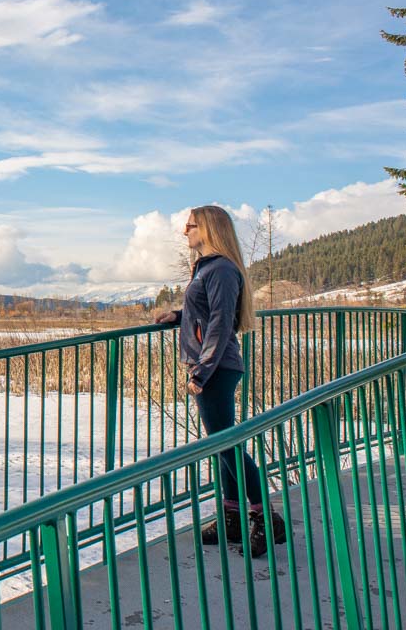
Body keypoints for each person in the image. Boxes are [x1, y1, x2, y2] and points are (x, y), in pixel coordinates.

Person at [155, 205, 286, 557]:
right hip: (214, 366)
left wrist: (201, 370)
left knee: (227, 444)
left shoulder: (222, 270)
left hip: (216, 368)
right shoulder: (209, 268)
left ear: (210, 229)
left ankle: (266, 519)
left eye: (191, 225)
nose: (185, 232)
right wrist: (178, 316)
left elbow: (221, 322)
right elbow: (206, 312)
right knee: (222, 443)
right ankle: (232, 517)